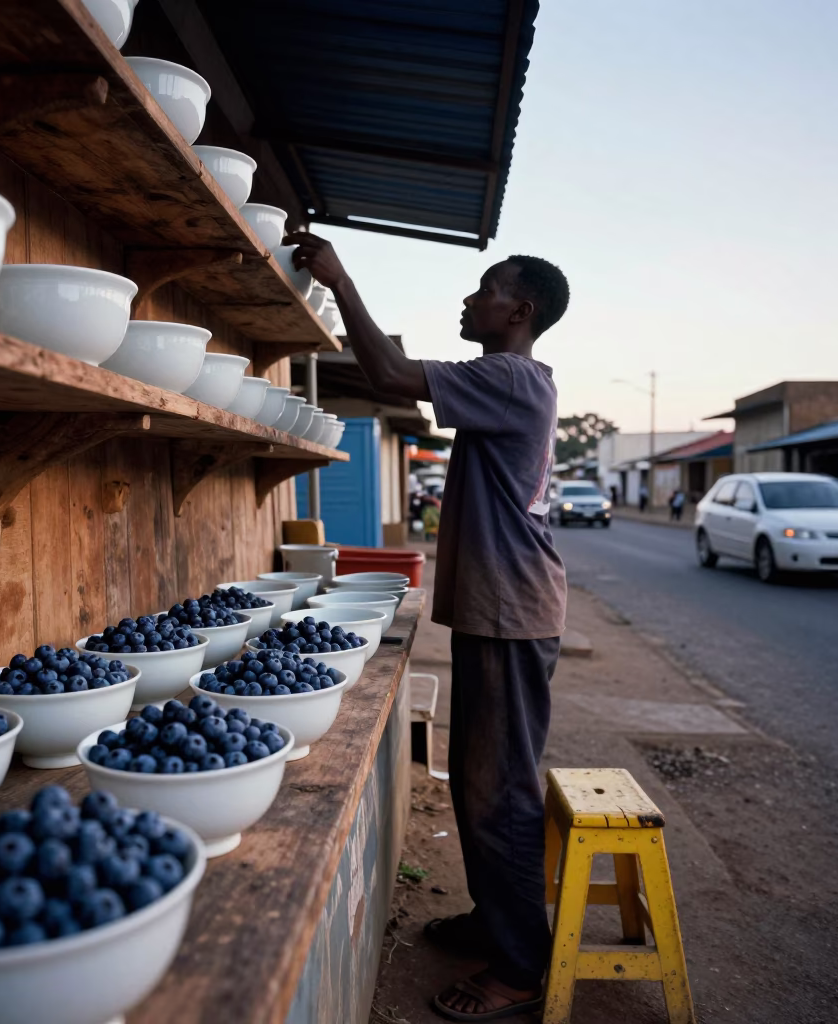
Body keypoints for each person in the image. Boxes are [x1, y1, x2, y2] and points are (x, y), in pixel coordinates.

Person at [286, 231, 569, 1021]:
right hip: (504, 608)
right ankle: (495, 921)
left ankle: (518, 970)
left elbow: (385, 373)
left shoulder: (509, 376)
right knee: (481, 782)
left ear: (520, 309)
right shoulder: (513, 379)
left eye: (485, 289)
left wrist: (340, 282)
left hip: (512, 612)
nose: (469, 300)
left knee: (499, 791)